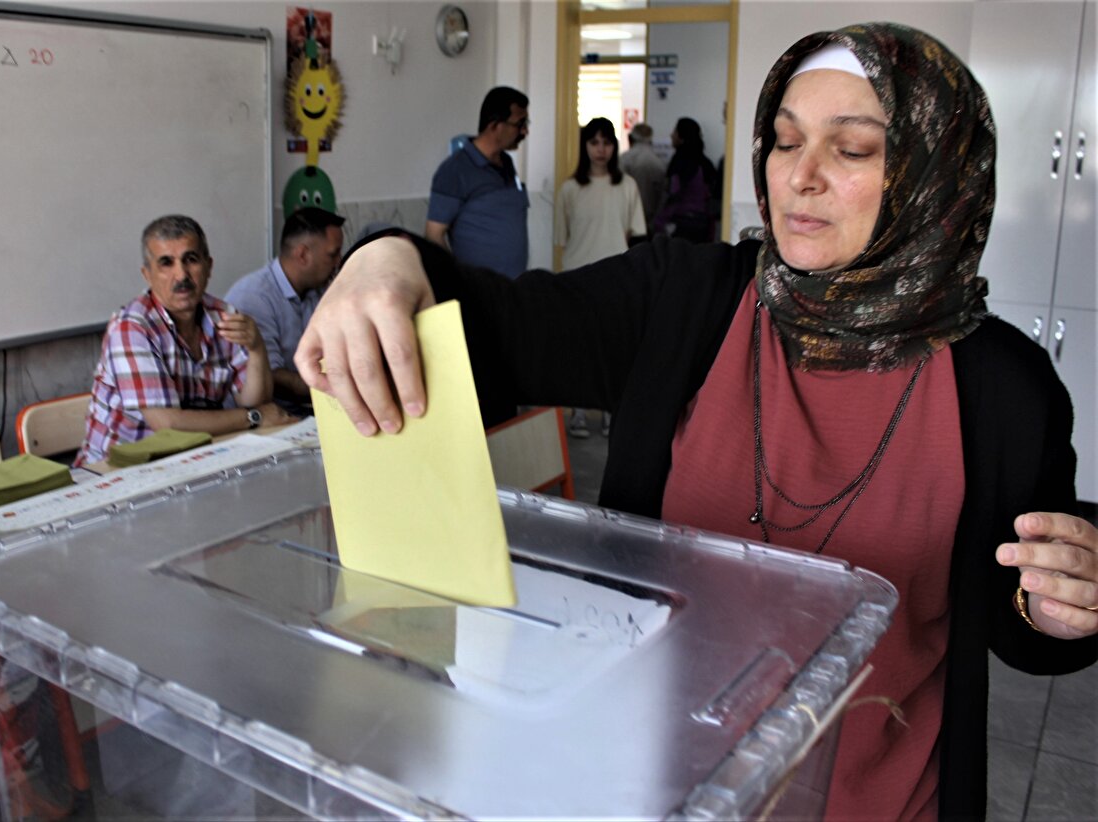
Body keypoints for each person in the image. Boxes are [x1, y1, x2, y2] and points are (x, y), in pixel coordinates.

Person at [297, 23, 1098, 820]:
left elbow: (1021, 620)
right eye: (784, 143)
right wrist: (386, 258)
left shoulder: (1003, 388)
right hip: (660, 788)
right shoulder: (683, 301)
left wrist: (1067, 598)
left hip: (881, 803)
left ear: (935, 175)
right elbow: (498, 325)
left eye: (851, 150)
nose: (800, 178)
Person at [77, 215, 290, 464]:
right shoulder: (131, 327)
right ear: (147, 274)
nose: (181, 275)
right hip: (119, 470)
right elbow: (168, 425)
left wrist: (257, 349)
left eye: (191, 259)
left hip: (194, 458)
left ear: (209, 266)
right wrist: (254, 418)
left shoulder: (224, 316)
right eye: (166, 263)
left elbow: (254, 400)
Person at [554, 117, 645, 438]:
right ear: (585, 146)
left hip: (616, 277)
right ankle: (578, 413)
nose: (601, 149)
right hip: (577, 276)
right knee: (578, 347)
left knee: (614, 347)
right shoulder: (569, 188)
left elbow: (635, 235)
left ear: (614, 147)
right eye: (594, 142)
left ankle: (609, 411)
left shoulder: (627, 186)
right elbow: (562, 237)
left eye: (607, 142)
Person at [225, 207, 344, 414]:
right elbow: (271, 375)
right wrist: (332, 387)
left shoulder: (317, 289)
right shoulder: (254, 296)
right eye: (332, 255)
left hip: (309, 408)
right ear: (303, 255)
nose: (338, 263)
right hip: (270, 417)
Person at [425, 86, 530, 279]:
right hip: (480, 292)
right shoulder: (454, 170)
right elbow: (434, 235)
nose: (525, 131)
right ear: (495, 125)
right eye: (520, 123)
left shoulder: (506, 163)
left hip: (513, 288)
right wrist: (458, 279)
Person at [654, 117, 719, 243]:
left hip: (680, 225)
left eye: (675, 132)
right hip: (704, 226)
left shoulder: (679, 162)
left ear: (681, 137)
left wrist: (658, 222)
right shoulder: (706, 163)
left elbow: (673, 194)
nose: (671, 135)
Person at [620, 122, 667, 235]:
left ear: (630, 138)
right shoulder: (659, 163)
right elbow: (662, 196)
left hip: (626, 221)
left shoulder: (624, 160)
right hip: (650, 222)